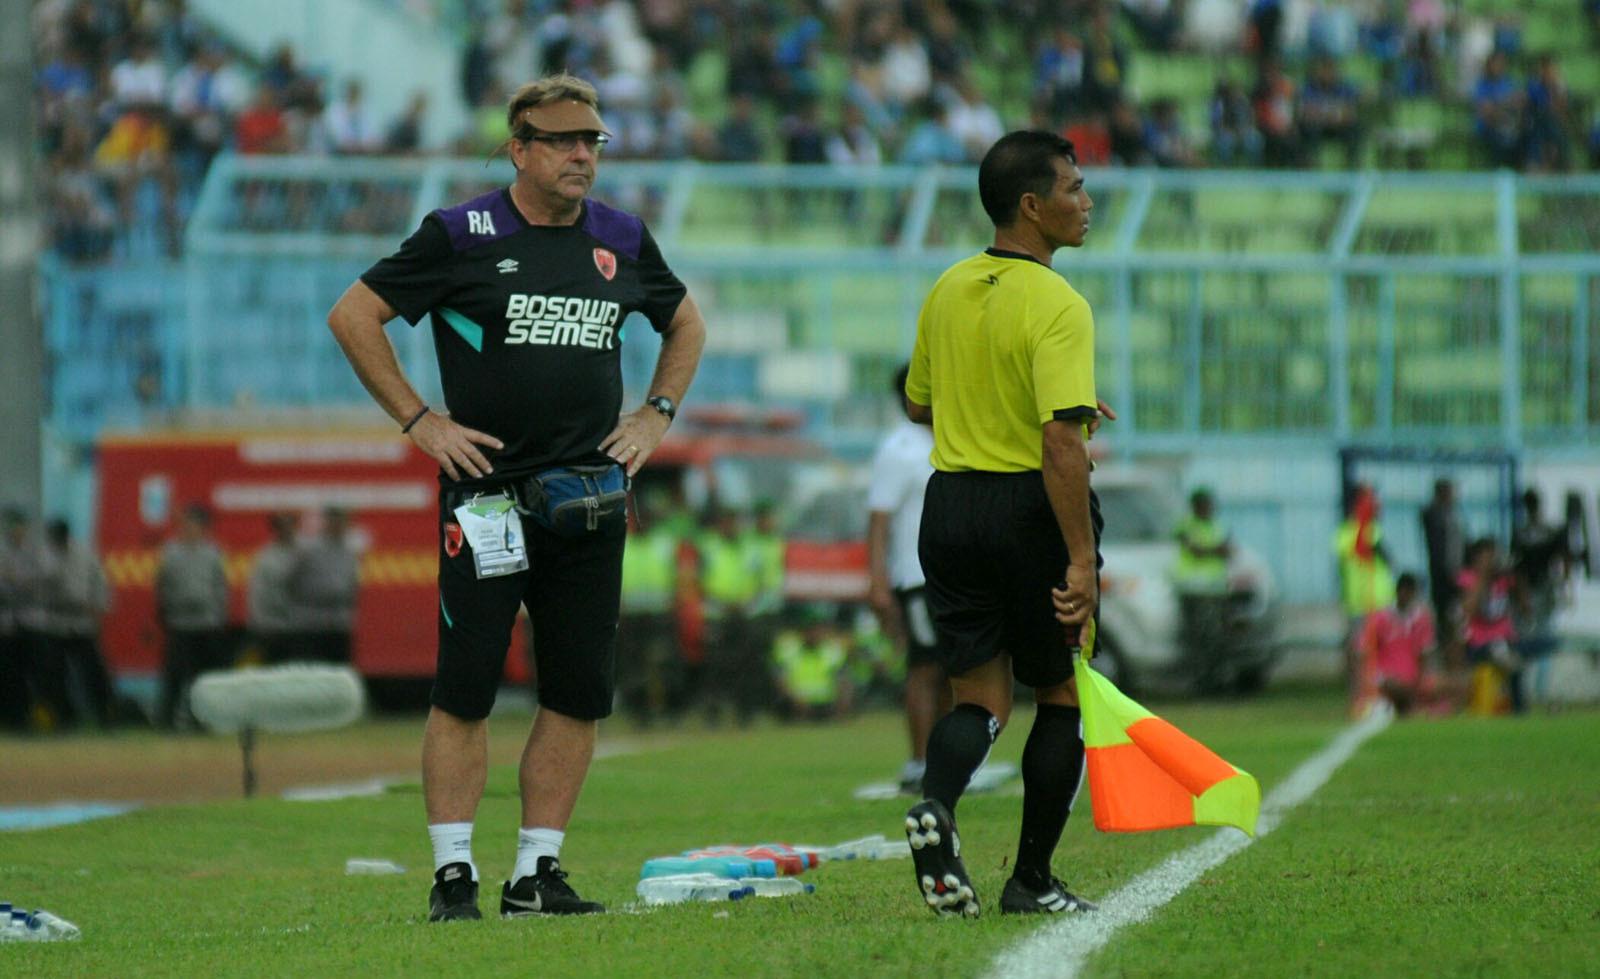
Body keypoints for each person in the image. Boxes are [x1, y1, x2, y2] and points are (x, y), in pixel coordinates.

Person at [325, 73, 706, 923]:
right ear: (519, 149)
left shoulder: (622, 237)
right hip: (487, 500)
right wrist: (420, 420)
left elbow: (685, 323)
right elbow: (353, 315)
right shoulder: (460, 234)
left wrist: (656, 412)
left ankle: (536, 872)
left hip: (588, 498)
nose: (582, 155)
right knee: (465, 689)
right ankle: (453, 872)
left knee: (576, 691)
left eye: (592, 141)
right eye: (563, 141)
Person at [902, 130, 1111, 918]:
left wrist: (1003, 399)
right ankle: (1031, 878)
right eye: (1073, 188)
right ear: (1032, 205)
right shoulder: (1059, 303)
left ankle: (937, 802)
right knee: (1061, 691)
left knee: (981, 700)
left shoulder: (949, 286)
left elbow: (920, 404)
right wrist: (1081, 559)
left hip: (952, 506)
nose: (1085, 202)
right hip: (1029, 510)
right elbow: (1061, 442)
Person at [867, 362, 949, 795]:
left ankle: (951, 758)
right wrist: (878, 582)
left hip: (954, 576)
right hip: (917, 575)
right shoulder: (899, 449)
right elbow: (879, 520)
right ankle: (919, 761)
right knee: (925, 665)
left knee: (956, 668)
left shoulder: (948, 440)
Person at [154, 503, 230, 730]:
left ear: (203, 527)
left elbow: (220, 586)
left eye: (192, 524)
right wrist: (166, 611)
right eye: (185, 524)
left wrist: (219, 615)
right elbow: (162, 585)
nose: (187, 528)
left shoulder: (213, 553)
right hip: (179, 624)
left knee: (204, 678)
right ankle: (166, 720)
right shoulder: (170, 553)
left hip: (207, 623)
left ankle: (203, 720)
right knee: (175, 675)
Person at [38, 519, 114, 729]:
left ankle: (105, 714)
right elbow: (36, 587)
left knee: (93, 671)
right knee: (55, 673)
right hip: (55, 623)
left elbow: (100, 582)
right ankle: (63, 717)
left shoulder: (85, 555)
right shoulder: (44, 556)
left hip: (82, 622)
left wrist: (99, 608)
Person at [1335, 483, 1395, 713]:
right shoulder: (1346, 532)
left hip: (1382, 602)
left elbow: (1386, 560)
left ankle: (1380, 696)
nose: (1377, 505)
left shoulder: (1375, 530)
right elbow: (1355, 552)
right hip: (1361, 604)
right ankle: (1358, 696)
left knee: (1383, 653)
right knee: (1359, 653)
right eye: (1371, 500)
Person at [1172, 488, 1233, 689]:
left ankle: (1216, 680)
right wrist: (1216, 549)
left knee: (1217, 638)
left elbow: (1228, 551)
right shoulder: (1186, 525)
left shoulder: (1216, 526)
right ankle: (1200, 681)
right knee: (1199, 638)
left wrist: (1212, 550)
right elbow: (1195, 551)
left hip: (1216, 590)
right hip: (1193, 590)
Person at [1511, 489, 1566, 708]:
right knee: (1537, 640)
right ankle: (1538, 691)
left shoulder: (1525, 533)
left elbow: (1519, 569)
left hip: (1539, 589)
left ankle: (1537, 691)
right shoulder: (1547, 531)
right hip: (1541, 588)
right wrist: (1563, 587)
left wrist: (1523, 596)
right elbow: (1562, 561)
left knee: (1533, 640)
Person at [1356, 572, 1436, 716]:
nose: (1406, 596)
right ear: (1398, 591)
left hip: (1412, 676)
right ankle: (1413, 707)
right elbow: (1364, 651)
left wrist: (1422, 676)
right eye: (1404, 591)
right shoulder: (1380, 618)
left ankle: (1416, 706)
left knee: (1449, 684)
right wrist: (1365, 678)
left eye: (1410, 592)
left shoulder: (1422, 619)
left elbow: (1424, 653)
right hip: (1385, 676)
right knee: (1396, 686)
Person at [1458, 538, 1520, 714]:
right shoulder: (1468, 578)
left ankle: (1518, 708)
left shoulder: (1504, 579)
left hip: (1506, 639)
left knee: (1517, 654)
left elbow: (1524, 607)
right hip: (1479, 643)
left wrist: (1517, 575)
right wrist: (1483, 578)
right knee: (1502, 654)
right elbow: (1469, 609)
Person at [292, 507, 360, 664]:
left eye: (342, 522)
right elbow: (293, 583)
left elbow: (352, 583)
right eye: (334, 521)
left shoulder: (349, 552)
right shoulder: (309, 550)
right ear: (327, 523)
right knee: (315, 668)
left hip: (340, 623)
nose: (338, 526)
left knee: (339, 668)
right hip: (313, 623)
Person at [0, 509, 41, 730]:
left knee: (26, 673)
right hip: (5, 623)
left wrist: (14, 580)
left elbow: (38, 584)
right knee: (6, 672)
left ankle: (23, 717)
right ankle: (7, 716)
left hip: (28, 622)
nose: (17, 531)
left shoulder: (33, 553)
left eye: (20, 527)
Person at [248, 511, 302, 664]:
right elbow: (257, 592)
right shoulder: (265, 557)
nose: (286, 530)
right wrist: (259, 623)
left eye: (289, 525)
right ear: (275, 529)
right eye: (281, 526)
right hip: (271, 626)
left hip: (299, 628)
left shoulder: (305, 555)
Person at [1420, 478, 1463, 653]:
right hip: (1442, 575)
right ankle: (1444, 646)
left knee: (1455, 612)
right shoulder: (1434, 514)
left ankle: (1453, 645)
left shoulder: (1453, 515)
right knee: (1444, 611)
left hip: (1456, 573)